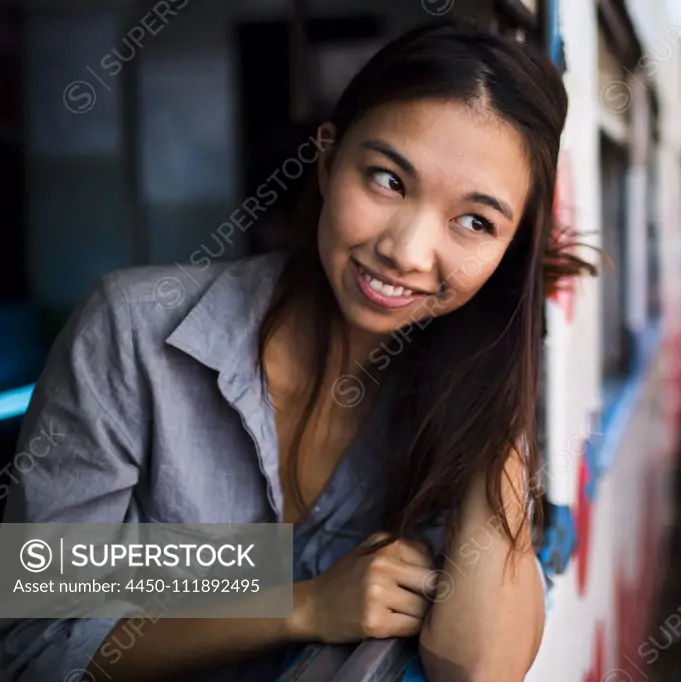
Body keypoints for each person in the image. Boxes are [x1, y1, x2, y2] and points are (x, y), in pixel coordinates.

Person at [0, 19, 595, 682]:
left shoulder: (462, 394)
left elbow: (480, 670)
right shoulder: (130, 334)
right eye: (388, 180)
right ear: (328, 158)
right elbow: (35, 641)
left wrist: (495, 403)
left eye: (475, 222)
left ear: (510, 253)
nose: (406, 250)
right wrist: (298, 603)